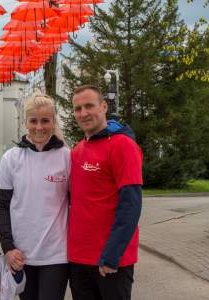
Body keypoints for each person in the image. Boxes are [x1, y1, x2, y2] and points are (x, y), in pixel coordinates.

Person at [68, 85, 143, 300]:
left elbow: (131, 205)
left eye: (89, 106)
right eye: (78, 108)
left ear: (103, 106)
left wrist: (112, 255)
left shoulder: (123, 146)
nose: (83, 113)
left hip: (110, 261)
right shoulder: (78, 150)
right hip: (79, 258)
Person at [0, 93, 71, 300]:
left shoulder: (66, 157)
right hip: (21, 256)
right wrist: (8, 248)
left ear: (53, 122)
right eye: (34, 121)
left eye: (45, 120)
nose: (39, 127)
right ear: (26, 122)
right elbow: (1, 207)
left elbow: (77, 204)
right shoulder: (11, 158)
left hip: (56, 256)